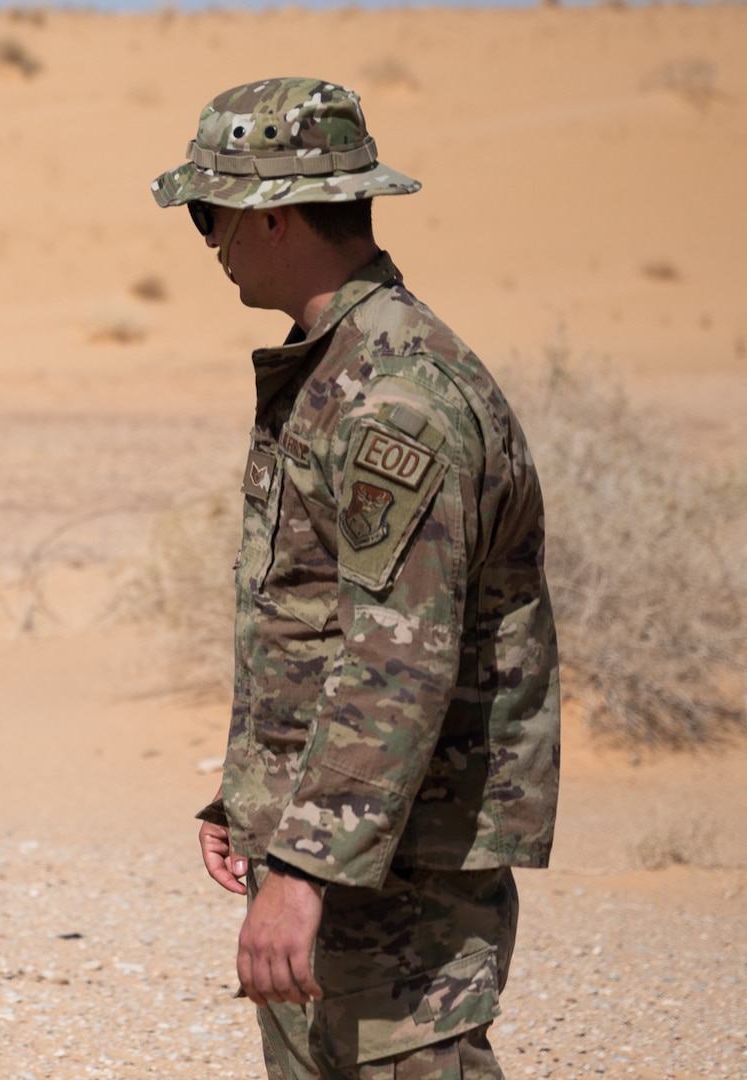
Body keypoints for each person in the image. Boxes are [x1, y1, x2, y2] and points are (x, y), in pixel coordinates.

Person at [150, 78, 561, 1079]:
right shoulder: (338, 365)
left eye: (210, 214)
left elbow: (397, 664)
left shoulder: (393, 397)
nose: (207, 241)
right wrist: (254, 794)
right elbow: (321, 623)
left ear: (274, 217)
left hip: (395, 872)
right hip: (347, 851)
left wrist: (300, 866)